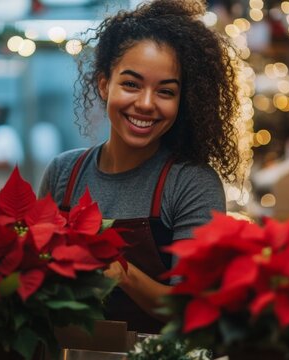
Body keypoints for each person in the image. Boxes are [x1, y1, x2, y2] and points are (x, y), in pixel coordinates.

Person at [38, 0, 242, 334]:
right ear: (104, 84)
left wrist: (119, 271)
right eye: (131, 84)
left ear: (182, 101)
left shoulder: (191, 183)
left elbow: (190, 309)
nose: (146, 104)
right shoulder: (63, 173)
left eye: (165, 91)